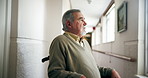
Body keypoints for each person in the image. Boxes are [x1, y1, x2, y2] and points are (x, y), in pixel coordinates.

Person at [48, 9, 121, 78]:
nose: (85, 23)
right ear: (69, 24)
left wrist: (110, 72)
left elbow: (92, 67)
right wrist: (77, 77)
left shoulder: (85, 42)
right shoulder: (60, 41)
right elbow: (54, 73)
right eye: (81, 20)